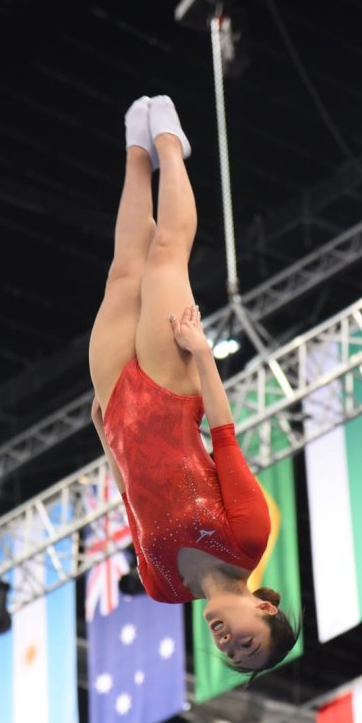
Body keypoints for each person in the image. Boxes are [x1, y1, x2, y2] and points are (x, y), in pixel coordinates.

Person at [88, 95, 300, 675]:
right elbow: (226, 437)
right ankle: (169, 147)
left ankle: (135, 149)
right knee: (164, 258)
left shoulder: (162, 586)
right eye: (247, 643)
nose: (229, 644)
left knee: (123, 270)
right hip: (171, 389)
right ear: (263, 608)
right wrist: (202, 355)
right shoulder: (249, 539)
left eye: (229, 655)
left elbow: (130, 498)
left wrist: (106, 437)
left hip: (117, 407)